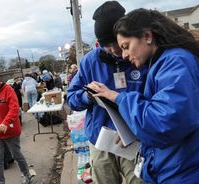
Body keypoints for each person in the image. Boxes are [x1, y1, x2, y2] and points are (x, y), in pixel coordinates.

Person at [90, 8, 199, 183]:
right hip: (177, 168)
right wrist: (133, 132)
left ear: (147, 36)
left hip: (185, 172)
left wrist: (119, 98)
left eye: (126, 46)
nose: (124, 55)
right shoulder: (163, 63)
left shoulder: (176, 63)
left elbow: (164, 122)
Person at [67, 2, 147, 183]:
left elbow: (151, 99)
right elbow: (71, 98)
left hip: (134, 139)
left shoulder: (140, 56)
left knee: (140, 180)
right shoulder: (90, 61)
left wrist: (136, 129)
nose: (114, 50)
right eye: (106, 45)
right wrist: (87, 96)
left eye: (116, 43)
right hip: (100, 140)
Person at [0, 67, 32, 184]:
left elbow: (14, 109)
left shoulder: (8, 90)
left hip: (10, 131)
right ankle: (0, 182)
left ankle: (27, 175)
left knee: (16, 155)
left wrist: (5, 122)